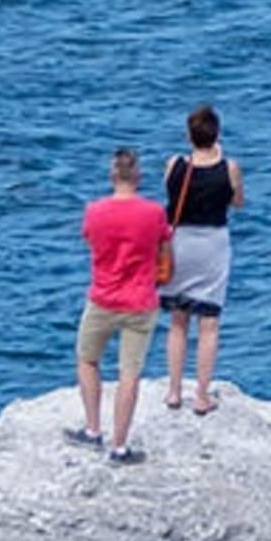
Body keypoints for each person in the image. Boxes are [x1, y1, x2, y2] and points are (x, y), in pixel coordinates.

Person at [65, 147, 171, 465]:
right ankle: (120, 446)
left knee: (87, 360)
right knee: (129, 373)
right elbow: (163, 246)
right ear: (137, 176)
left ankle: (94, 429)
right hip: (140, 302)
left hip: (102, 298)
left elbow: (90, 241)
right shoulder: (153, 213)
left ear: (112, 176)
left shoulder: (94, 211)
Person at [161, 103, 245, 416]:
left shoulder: (175, 165)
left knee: (178, 320)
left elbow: (169, 196)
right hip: (212, 244)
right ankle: (200, 396)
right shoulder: (230, 168)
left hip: (180, 242)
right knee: (208, 323)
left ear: (189, 135)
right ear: (217, 134)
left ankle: (172, 392)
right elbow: (237, 202)